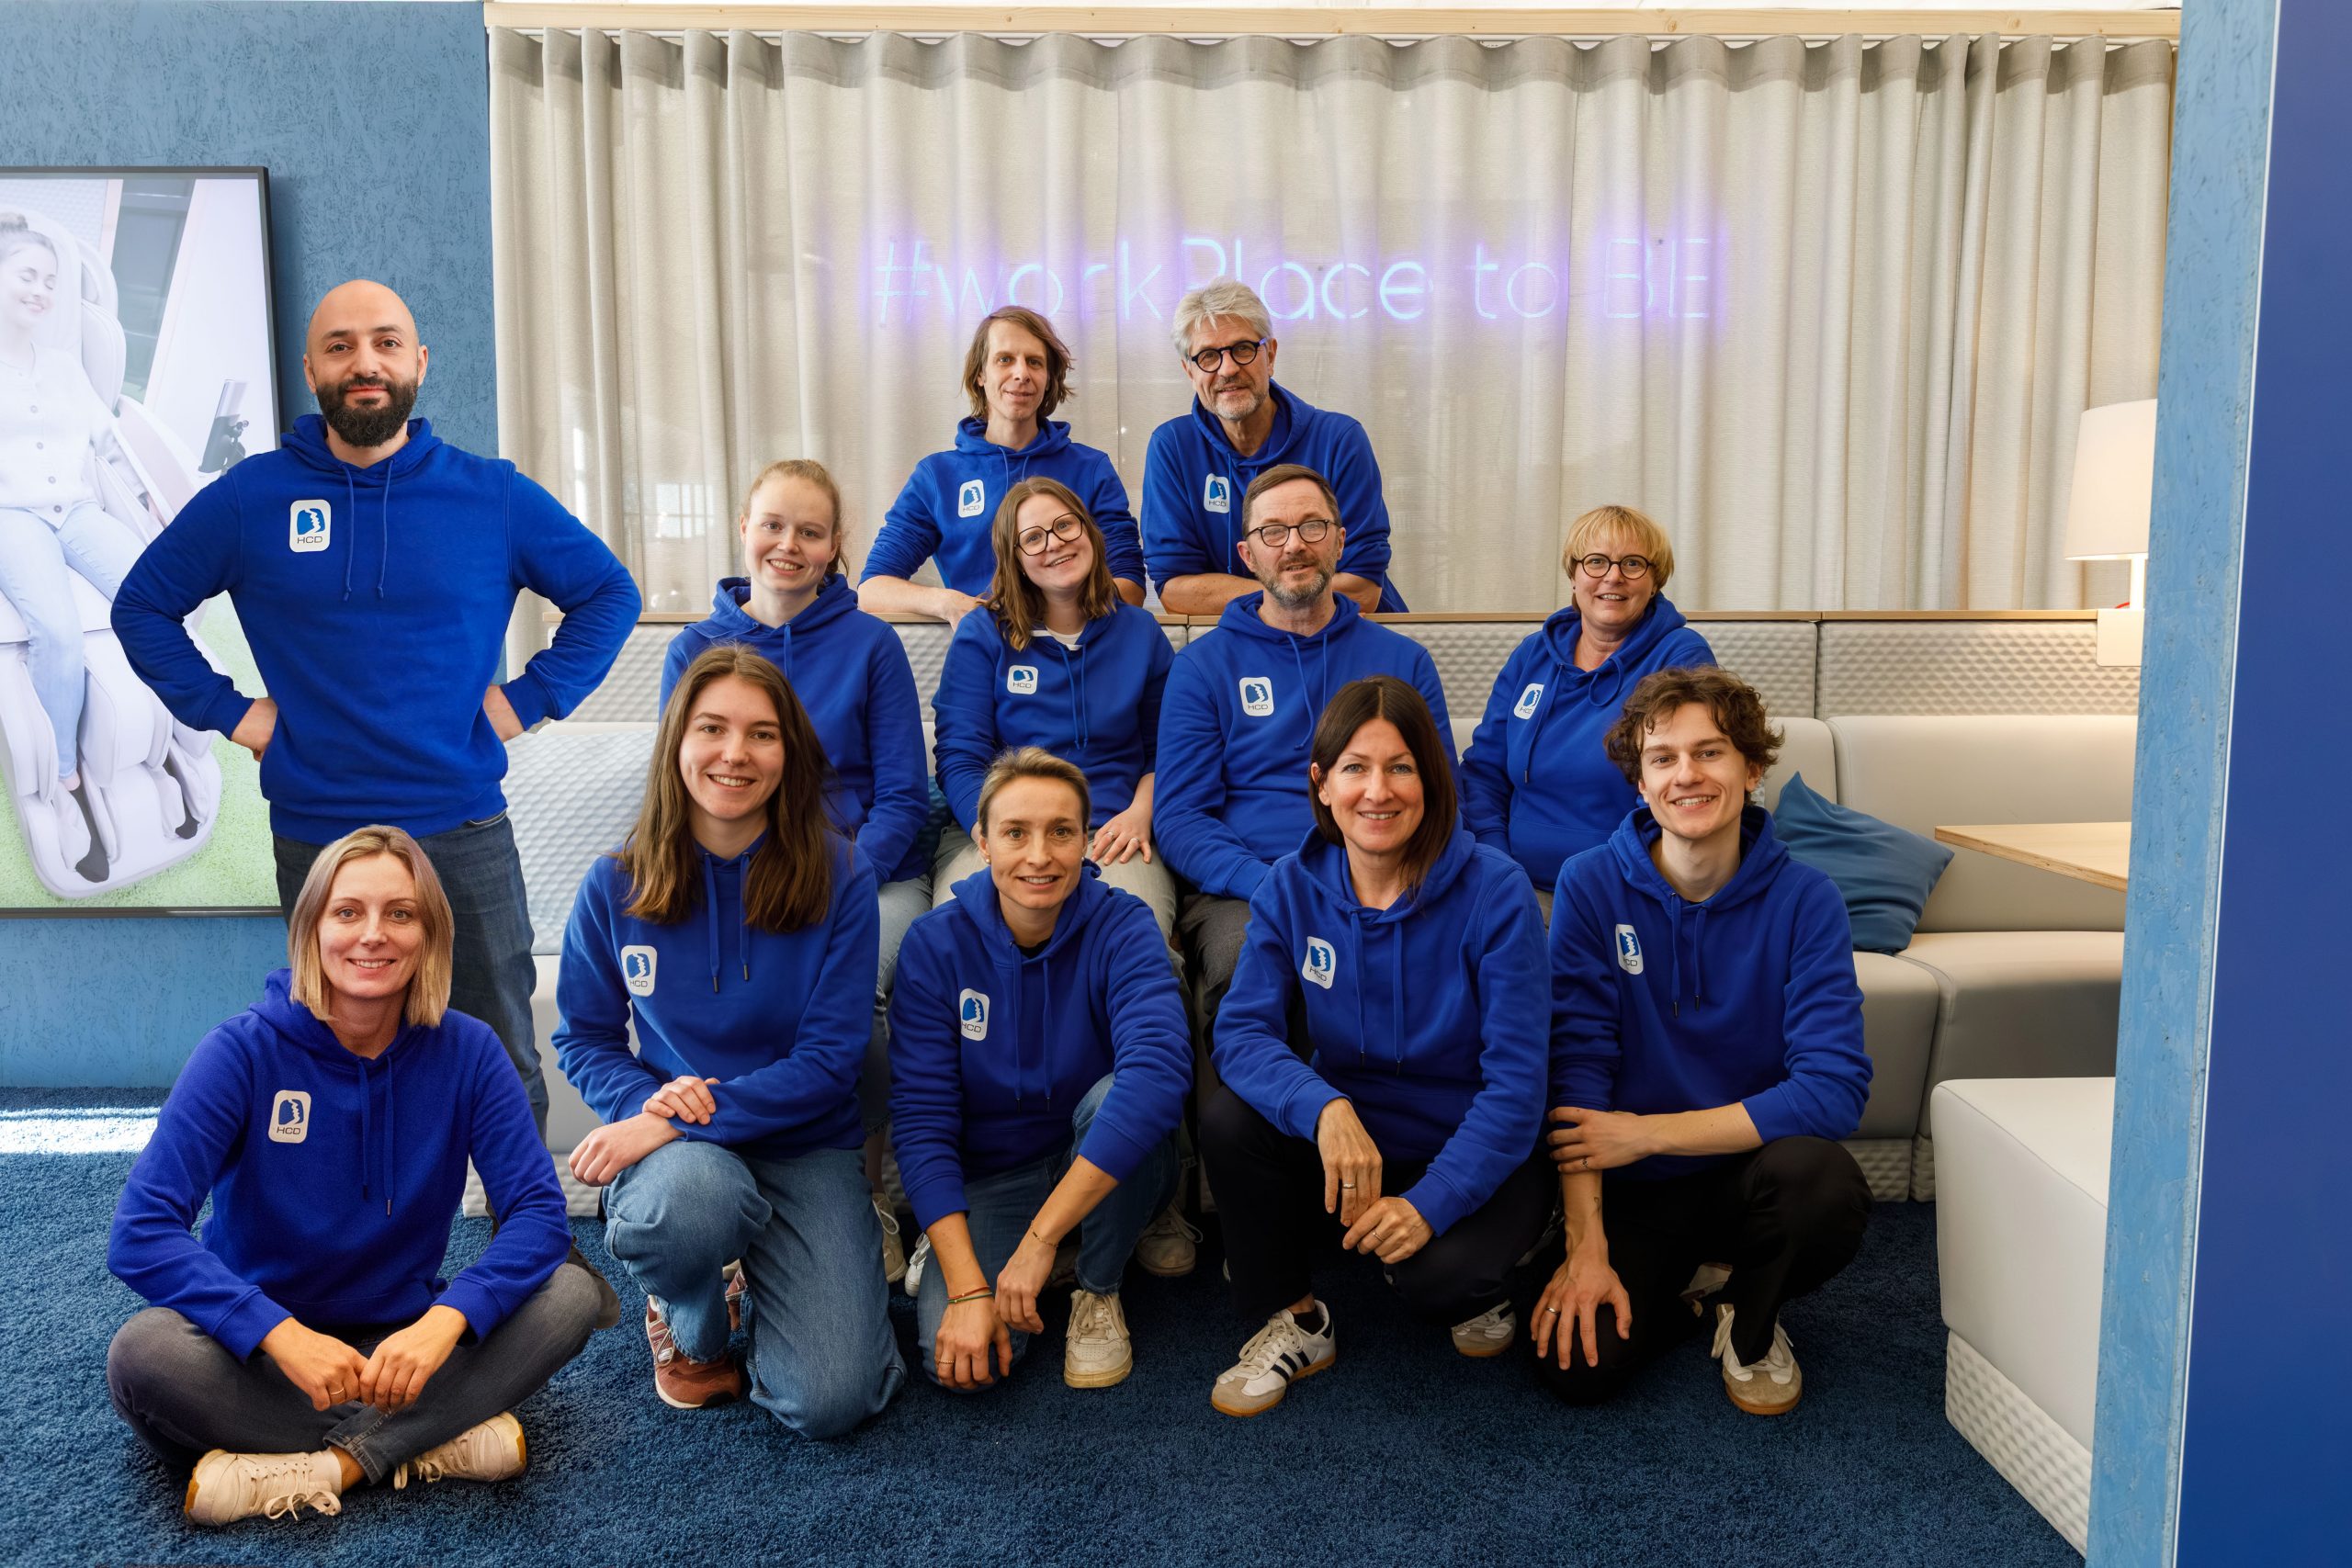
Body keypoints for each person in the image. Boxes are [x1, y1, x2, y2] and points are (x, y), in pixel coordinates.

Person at [112, 279, 641, 1142]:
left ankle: (522, 1223)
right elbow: (141, 606)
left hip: (461, 826)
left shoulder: (492, 495)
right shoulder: (253, 498)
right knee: (334, 1056)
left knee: (501, 1053)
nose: (366, 363)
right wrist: (231, 713)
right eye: (342, 346)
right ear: (312, 369)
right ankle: (351, 1223)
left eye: (387, 343)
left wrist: (528, 700)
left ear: (418, 363)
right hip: (319, 830)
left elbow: (610, 594)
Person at [105, 827, 599, 1527]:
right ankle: (434, 1437)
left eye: (400, 913)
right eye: (348, 911)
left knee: (570, 1294)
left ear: (429, 935)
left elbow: (538, 1216)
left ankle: (328, 1466)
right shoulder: (240, 1051)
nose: (373, 934)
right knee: (144, 1355)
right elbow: (141, 1232)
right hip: (264, 1355)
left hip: (405, 1351)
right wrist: (279, 1333)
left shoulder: (470, 1051)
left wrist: (445, 1322)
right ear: (312, 928)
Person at [555, 644, 903, 1435]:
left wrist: (670, 1118)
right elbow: (585, 1036)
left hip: (801, 1140)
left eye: (762, 733)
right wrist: (647, 1106)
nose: (735, 753)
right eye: (712, 727)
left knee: (831, 1399)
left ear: (789, 752)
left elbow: (830, 1063)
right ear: (677, 741)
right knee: (694, 1202)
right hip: (683, 1165)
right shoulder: (614, 883)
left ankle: (758, 1266)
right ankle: (688, 1308)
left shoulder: (843, 875)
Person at [1198, 677, 1549, 1415]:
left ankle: (1493, 1252)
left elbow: (1517, 1090)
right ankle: (1297, 1320)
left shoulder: (1498, 890)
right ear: (1322, 784)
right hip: (1352, 1143)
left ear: (1432, 779)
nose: (1378, 790)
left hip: (1473, 1140)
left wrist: (1430, 1205)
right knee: (1230, 1119)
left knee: (1436, 1283)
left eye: (1401, 767)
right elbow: (1241, 1030)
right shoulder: (1290, 886)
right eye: (1355, 767)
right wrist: (1323, 1108)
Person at [1533, 667, 1873, 1416]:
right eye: (1663, 758)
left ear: (1751, 769)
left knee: (1825, 1186)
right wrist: (1586, 1248)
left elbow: (1833, 1089)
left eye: (1710, 752)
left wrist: (1649, 1132)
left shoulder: (1808, 899)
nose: (1686, 774)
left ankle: (1747, 1313)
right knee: (1576, 1369)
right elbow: (1578, 1073)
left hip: (1748, 1175)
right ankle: (1693, 1294)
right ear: (1640, 782)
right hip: (1636, 1190)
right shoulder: (1590, 883)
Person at [660, 458, 930, 1281]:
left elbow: (903, 797)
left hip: (868, 874)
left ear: (836, 545)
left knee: (861, 988)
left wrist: (834, 884)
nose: (788, 544)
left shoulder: (872, 644)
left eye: (810, 531)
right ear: (744, 528)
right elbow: (679, 781)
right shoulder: (695, 648)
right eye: (773, 525)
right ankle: (722, 1181)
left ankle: (865, 1190)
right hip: (733, 876)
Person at [890, 749, 1192, 1392]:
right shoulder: (935, 944)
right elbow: (921, 1121)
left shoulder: (1123, 924)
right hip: (998, 1173)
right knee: (960, 1368)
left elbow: (1158, 1075)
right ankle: (1011, 1248)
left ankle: (1097, 1284)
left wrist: (1039, 1239)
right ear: (982, 843)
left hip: (1109, 1155)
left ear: (1086, 841)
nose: (1039, 855)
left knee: (1118, 1097)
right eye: (1015, 832)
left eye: (1061, 831)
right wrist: (968, 1289)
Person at [1154, 465, 1452, 1065]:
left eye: (1312, 526)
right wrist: (1266, 883)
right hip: (1249, 885)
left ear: (1339, 541)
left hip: (1385, 874)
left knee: (1437, 959)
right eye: (1273, 531)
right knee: (1246, 966)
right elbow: (1182, 818)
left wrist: (1384, 881)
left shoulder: (1404, 660)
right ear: (1247, 555)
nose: (1294, 545)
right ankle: (1265, 1120)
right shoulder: (1202, 667)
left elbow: (1443, 796)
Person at [931, 476, 1177, 941]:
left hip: (1110, 831)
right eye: (1033, 538)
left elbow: (1165, 750)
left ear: (1089, 532)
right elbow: (960, 757)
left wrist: (1141, 812)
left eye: (1065, 526)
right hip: (1004, 830)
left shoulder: (1141, 633)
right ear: (1016, 560)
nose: (1054, 544)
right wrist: (994, 833)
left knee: (1134, 945)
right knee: (956, 943)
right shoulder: (983, 634)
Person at [1462, 505, 1714, 908]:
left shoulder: (1679, 656)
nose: (1613, 577)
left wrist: (1596, 884)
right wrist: (1498, 867)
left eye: (1633, 564)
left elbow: (1678, 786)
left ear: (1655, 582)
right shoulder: (1532, 655)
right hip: (1514, 885)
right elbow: (1484, 773)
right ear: (1574, 575)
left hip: (1623, 889)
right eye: (1596, 561)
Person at [0, 211, 146, 883]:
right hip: (14, 517)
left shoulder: (64, 366)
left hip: (78, 509)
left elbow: (109, 442)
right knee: (57, 631)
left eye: (50, 281)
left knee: (156, 595)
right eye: (27, 275)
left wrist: (148, 504)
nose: (40, 290)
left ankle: (162, 729)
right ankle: (65, 775)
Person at [859, 306, 1143, 626]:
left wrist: (1052, 619)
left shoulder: (1090, 469)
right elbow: (873, 589)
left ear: (1048, 378)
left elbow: (1130, 586)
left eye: (1034, 362)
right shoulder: (937, 477)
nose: (1021, 374)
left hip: (1075, 648)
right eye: (1005, 359)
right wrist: (949, 603)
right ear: (980, 374)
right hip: (980, 647)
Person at [1141, 278, 1404, 615]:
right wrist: (1294, 590)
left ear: (1271, 355)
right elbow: (1177, 593)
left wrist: (1238, 593)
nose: (1228, 369)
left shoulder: (1339, 440)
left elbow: (1361, 589)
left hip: (1347, 635)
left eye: (1243, 349)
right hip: (1235, 640)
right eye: (1208, 356)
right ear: (1189, 371)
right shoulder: (1173, 447)